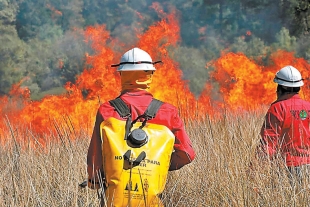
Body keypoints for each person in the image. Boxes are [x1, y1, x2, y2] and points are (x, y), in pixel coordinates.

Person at [87, 47, 196, 191]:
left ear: (121, 74)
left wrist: (94, 182)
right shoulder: (168, 112)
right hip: (151, 191)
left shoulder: (107, 110)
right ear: (150, 75)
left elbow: (96, 154)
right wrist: (158, 164)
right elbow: (187, 154)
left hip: (114, 194)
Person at [258, 65, 310, 185]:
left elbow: (268, 144)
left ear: (280, 88)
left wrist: (254, 170)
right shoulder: (308, 107)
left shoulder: (277, 109)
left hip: (287, 169)